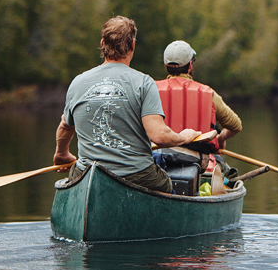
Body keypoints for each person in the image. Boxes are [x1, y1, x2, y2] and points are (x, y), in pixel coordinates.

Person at [53, 17, 209, 193]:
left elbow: (65, 127)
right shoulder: (144, 82)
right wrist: (184, 137)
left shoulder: (78, 82)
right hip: (137, 174)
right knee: (169, 185)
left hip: (87, 173)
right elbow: (159, 136)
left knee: (74, 177)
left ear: (102, 43)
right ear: (133, 45)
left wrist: (62, 154)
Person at [155, 40, 243, 157]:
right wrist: (220, 139)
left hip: (159, 158)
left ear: (166, 66)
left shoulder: (151, 90)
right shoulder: (208, 93)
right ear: (190, 65)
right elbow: (236, 126)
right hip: (198, 158)